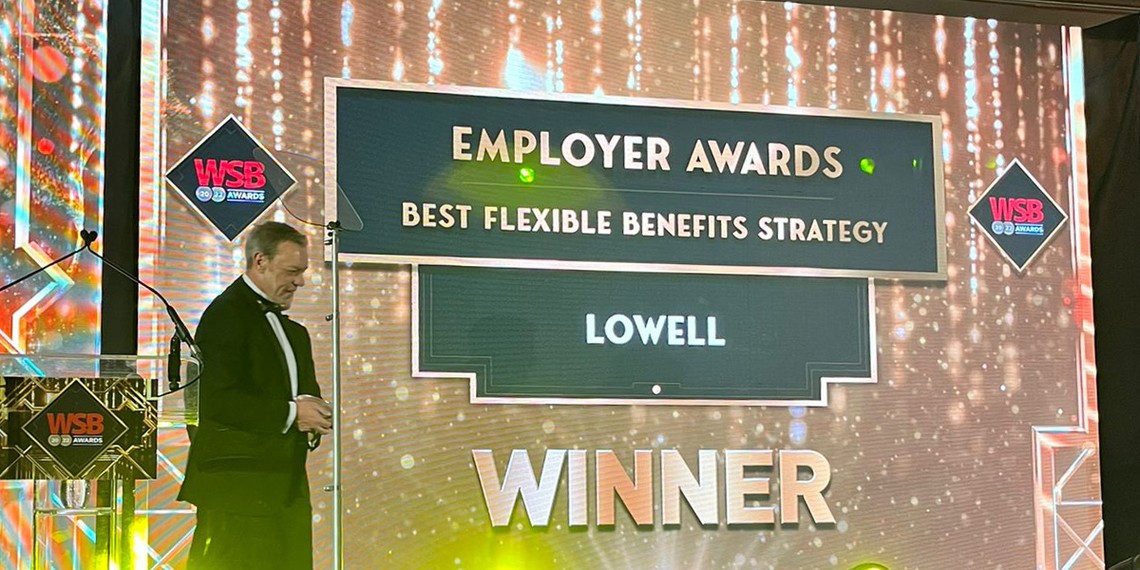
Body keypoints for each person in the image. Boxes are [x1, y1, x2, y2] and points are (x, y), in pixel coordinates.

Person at [180, 221, 331, 569]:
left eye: (303, 271)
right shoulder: (225, 315)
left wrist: (312, 418)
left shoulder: (295, 333)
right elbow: (215, 401)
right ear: (260, 261)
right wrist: (293, 414)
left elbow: (305, 396)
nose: (300, 281)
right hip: (239, 491)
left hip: (284, 486)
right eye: (292, 271)